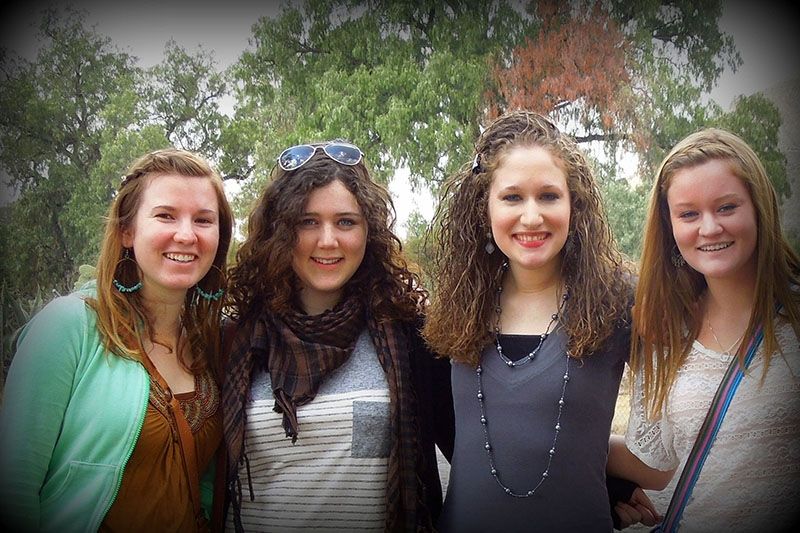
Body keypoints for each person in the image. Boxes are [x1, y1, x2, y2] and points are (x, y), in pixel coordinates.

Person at [423, 110, 653, 531]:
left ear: (574, 203)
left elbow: (671, 437)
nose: (532, 217)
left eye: (548, 195)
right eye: (512, 197)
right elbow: (459, 431)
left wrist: (599, 469)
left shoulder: (621, 299)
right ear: (484, 206)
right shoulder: (457, 304)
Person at [221, 140, 453, 532]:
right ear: (280, 231)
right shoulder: (236, 340)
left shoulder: (411, 338)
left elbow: (475, 462)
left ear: (369, 233)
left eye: (346, 222)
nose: (328, 240)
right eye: (307, 222)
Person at [0, 148, 234, 532]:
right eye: (165, 215)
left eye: (204, 220)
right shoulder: (70, 326)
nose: (187, 234)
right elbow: (14, 484)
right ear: (127, 230)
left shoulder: (212, 341)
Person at [607, 128, 800, 531]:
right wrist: (559, 443)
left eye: (727, 207)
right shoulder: (665, 332)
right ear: (671, 226)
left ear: (758, 207)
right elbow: (655, 462)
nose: (709, 228)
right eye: (689, 214)